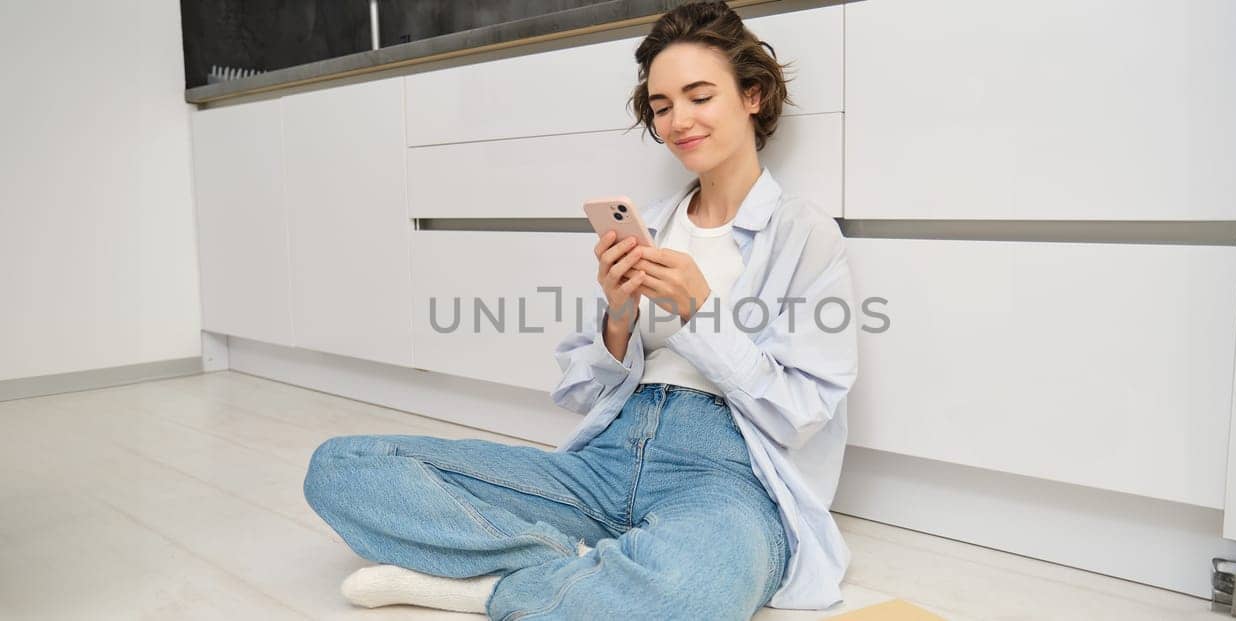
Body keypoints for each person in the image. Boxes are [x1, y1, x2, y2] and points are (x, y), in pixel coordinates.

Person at [303, 2, 858, 618]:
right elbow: (578, 390)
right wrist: (617, 317)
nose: (678, 121)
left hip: (726, 479)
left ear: (752, 95)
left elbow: (804, 411)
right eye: (663, 105)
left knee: (692, 588)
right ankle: (575, 567)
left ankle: (486, 587)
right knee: (344, 468)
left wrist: (700, 315)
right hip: (607, 460)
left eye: (699, 96)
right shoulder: (653, 224)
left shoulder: (803, 233)